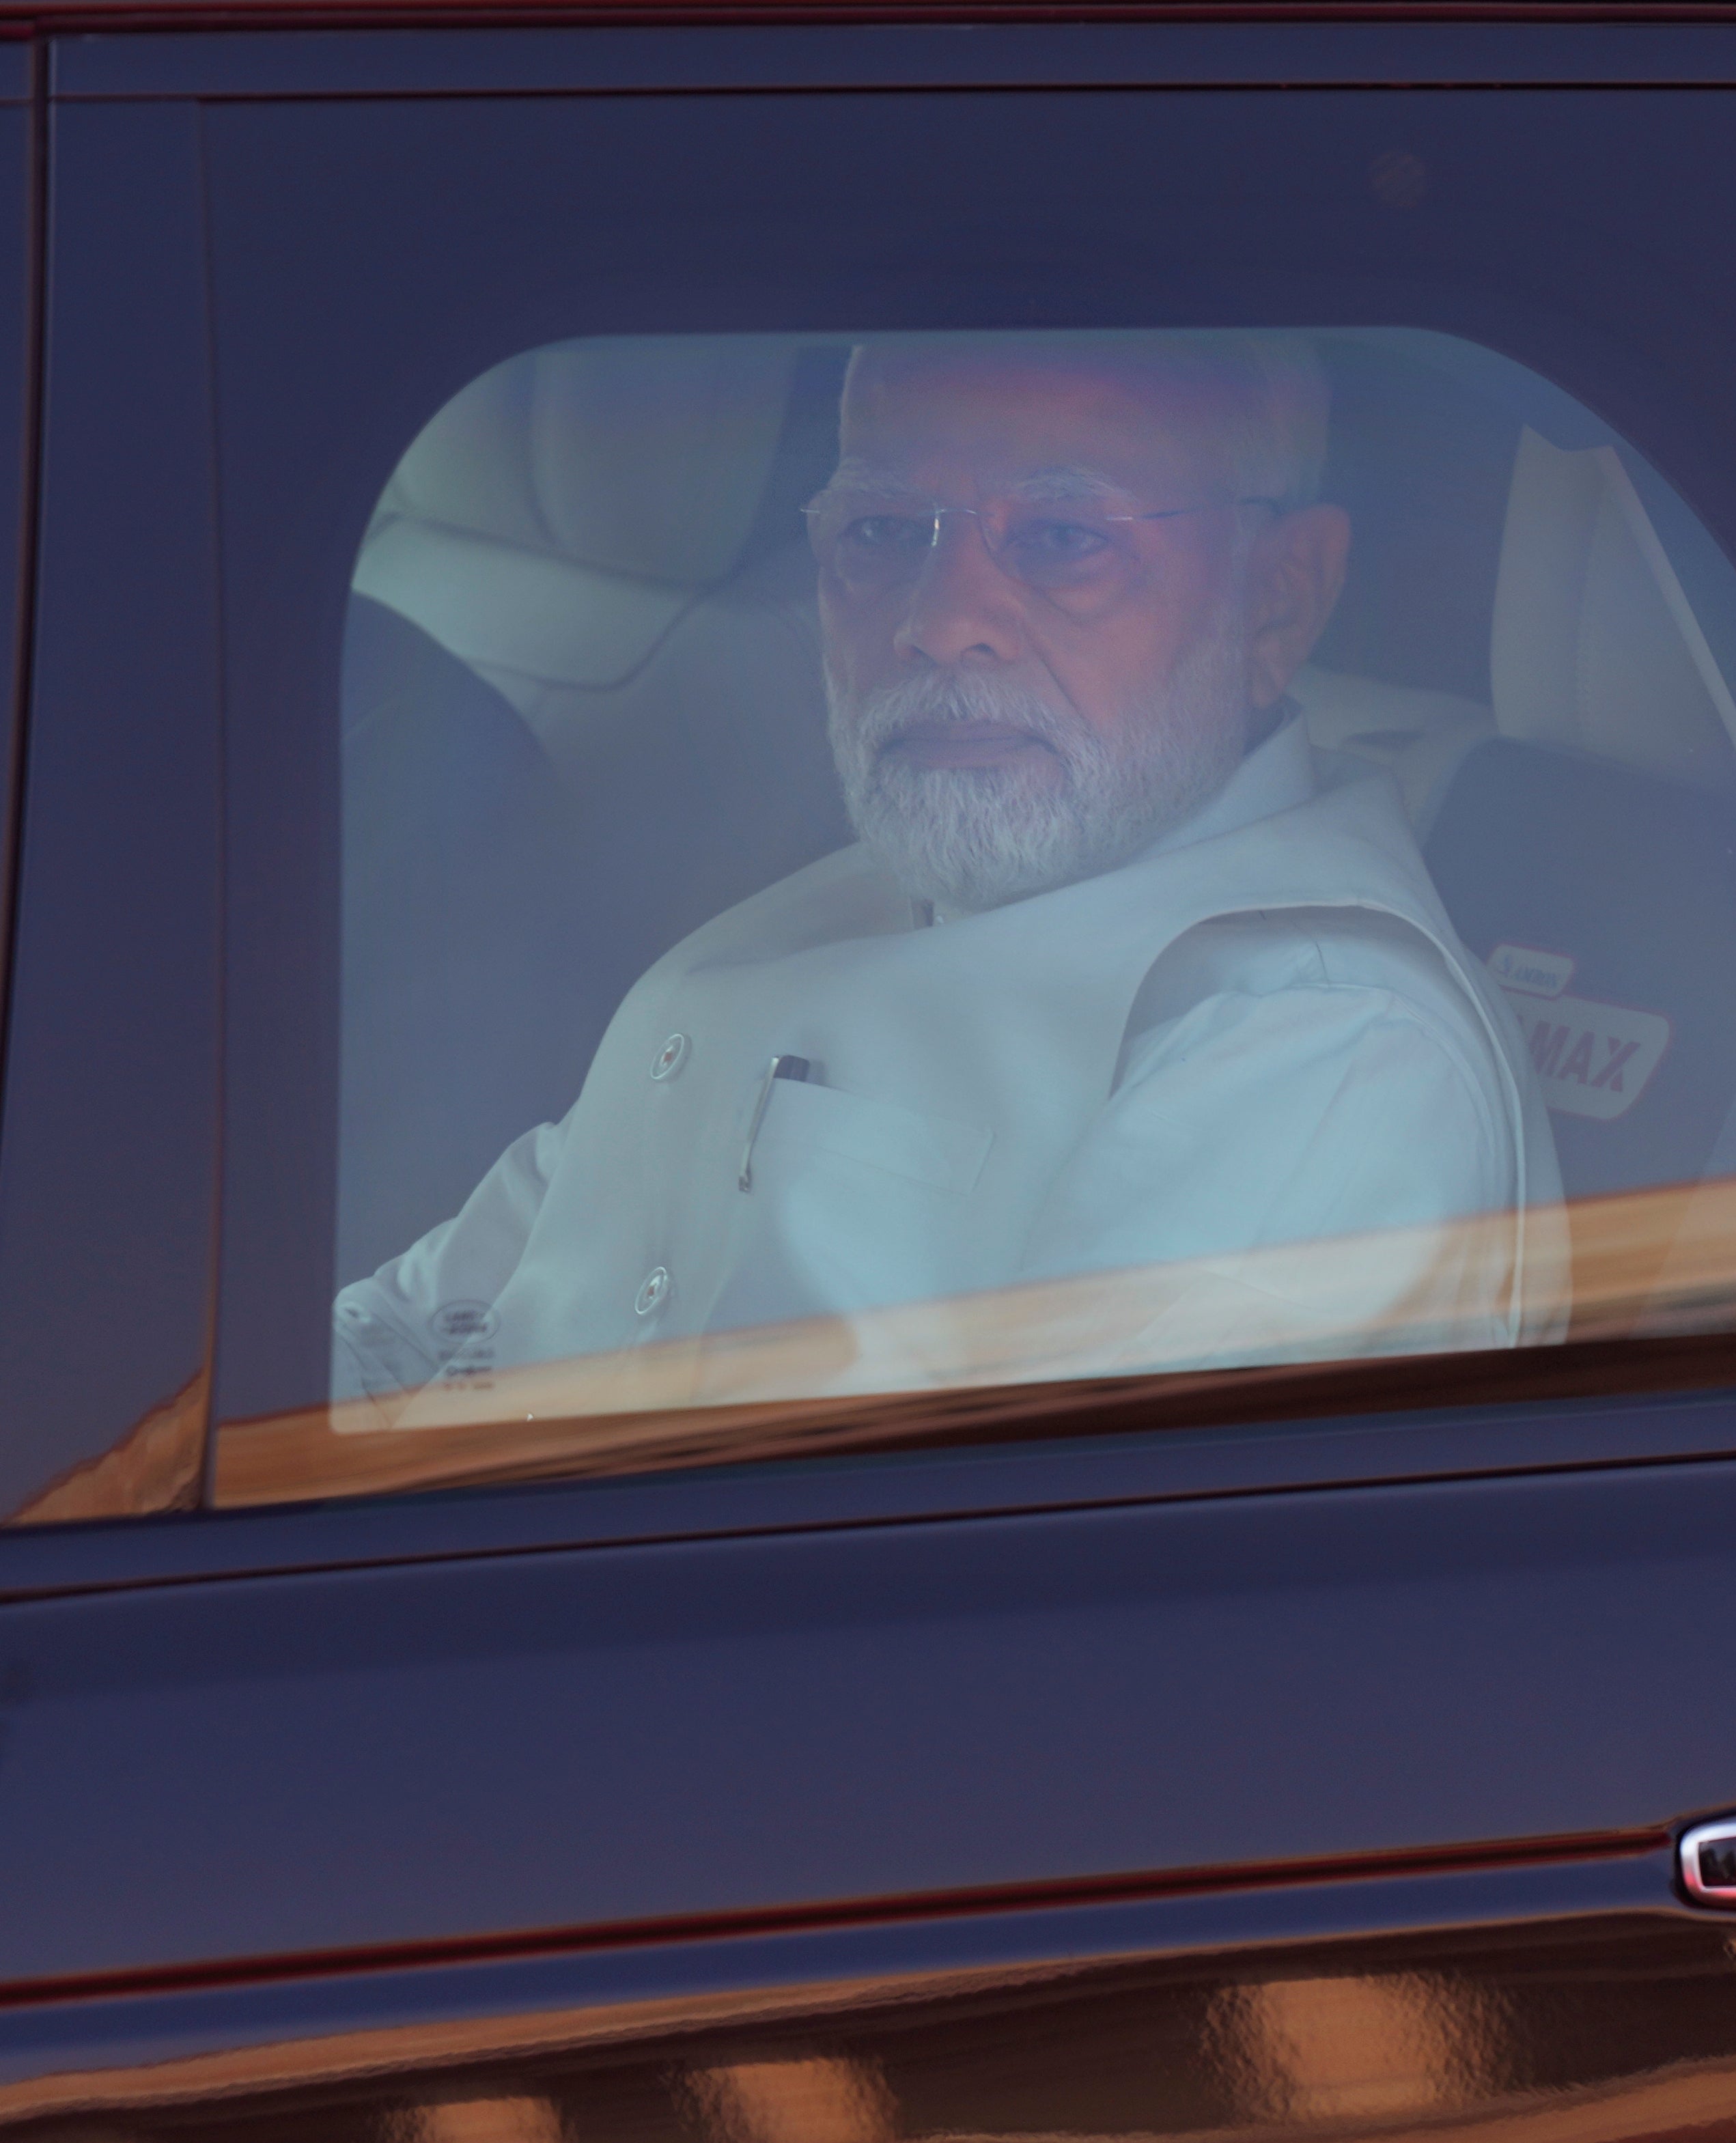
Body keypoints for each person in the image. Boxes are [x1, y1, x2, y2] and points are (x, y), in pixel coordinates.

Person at [334, 330, 1562, 1412]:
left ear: (1281, 599)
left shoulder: (1319, 1057)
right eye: (880, 532)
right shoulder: (843, 898)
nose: (938, 618)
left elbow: (1014, 1642)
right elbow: (412, 1328)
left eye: (1066, 537)